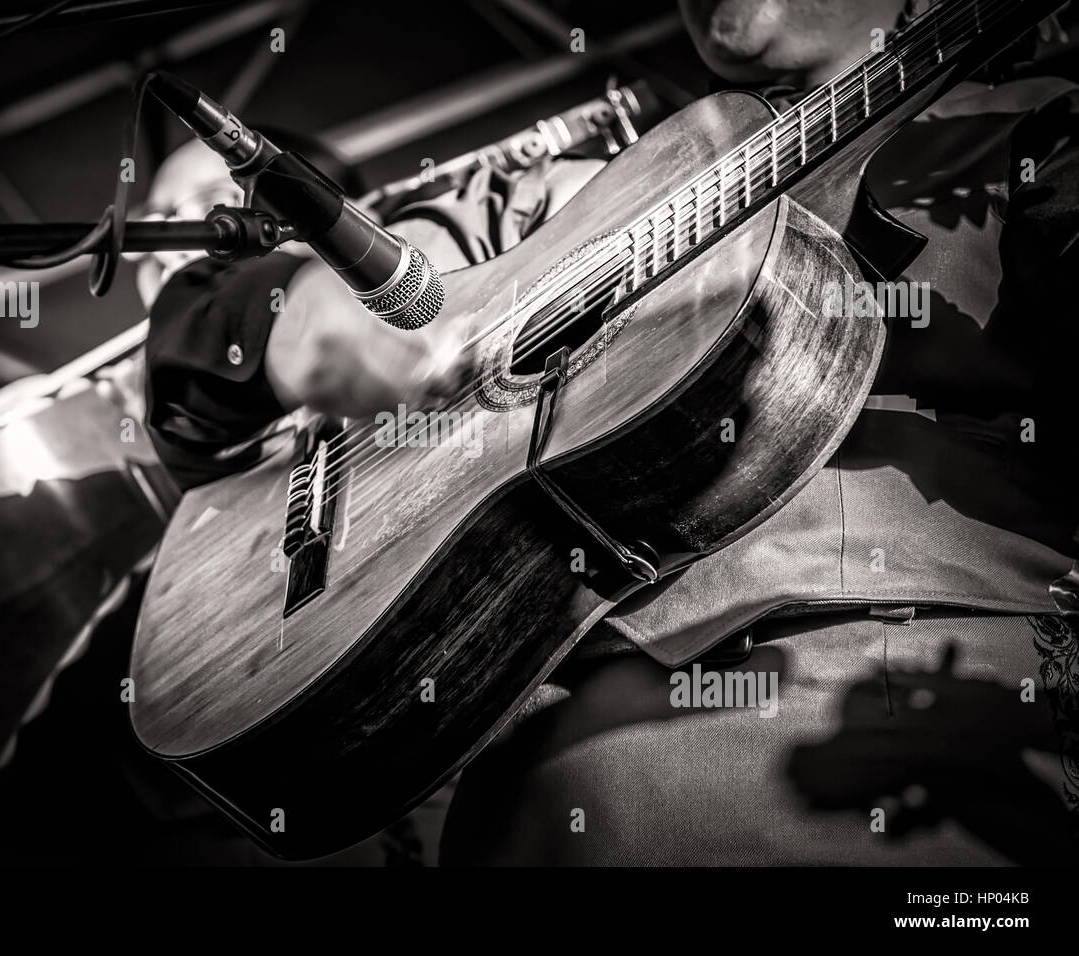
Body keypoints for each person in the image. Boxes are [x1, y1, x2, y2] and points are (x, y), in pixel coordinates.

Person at [141, 0, 1079, 864]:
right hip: (518, 783)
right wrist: (285, 315)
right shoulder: (555, 187)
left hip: (878, 727)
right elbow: (200, 357)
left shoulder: (1041, 136)